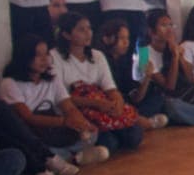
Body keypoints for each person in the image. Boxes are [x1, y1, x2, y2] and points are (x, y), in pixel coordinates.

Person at [0, 34, 110, 168]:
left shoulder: (51, 78)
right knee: (35, 150)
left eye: (46, 54)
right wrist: (64, 122)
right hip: (32, 133)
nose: (44, 59)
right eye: (38, 55)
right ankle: (75, 158)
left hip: (54, 130)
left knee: (92, 133)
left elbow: (68, 106)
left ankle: (68, 158)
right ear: (24, 57)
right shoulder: (10, 83)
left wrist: (82, 123)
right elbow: (27, 117)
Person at [51, 13, 147, 153]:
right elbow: (62, 97)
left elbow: (111, 88)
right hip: (78, 111)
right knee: (110, 143)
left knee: (134, 136)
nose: (88, 33)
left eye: (89, 28)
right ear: (66, 34)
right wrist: (97, 104)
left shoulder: (97, 55)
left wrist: (118, 105)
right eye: (81, 29)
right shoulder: (55, 57)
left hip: (104, 108)